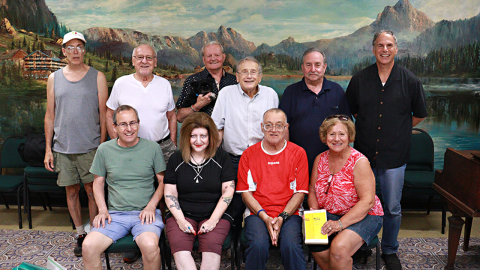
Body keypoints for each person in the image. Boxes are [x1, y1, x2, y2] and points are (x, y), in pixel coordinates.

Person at [345, 30, 428, 270]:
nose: (384, 49)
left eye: (389, 45)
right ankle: (360, 246)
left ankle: (390, 250)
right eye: (380, 45)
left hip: (394, 155)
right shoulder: (360, 79)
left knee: (392, 207)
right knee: (361, 203)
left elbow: (419, 114)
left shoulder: (409, 80)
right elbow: (354, 112)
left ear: (396, 49)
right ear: (373, 49)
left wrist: (399, 129)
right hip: (363, 155)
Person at [43, 31, 108, 257]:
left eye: (79, 47)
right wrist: (48, 149)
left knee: (92, 191)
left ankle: (93, 233)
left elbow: (103, 114)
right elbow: (50, 115)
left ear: (84, 50)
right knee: (71, 192)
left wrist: (102, 146)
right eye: (70, 47)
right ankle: (80, 233)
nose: (75, 51)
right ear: (63, 51)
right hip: (62, 148)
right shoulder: (54, 78)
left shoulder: (97, 77)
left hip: (90, 147)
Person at [82, 105, 166, 270]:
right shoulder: (104, 149)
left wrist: (151, 206)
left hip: (145, 214)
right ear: (114, 127)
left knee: (150, 246)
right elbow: (97, 183)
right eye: (123, 124)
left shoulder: (152, 148)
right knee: (88, 246)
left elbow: (163, 181)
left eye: (133, 123)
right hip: (114, 215)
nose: (129, 128)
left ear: (139, 124)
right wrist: (102, 209)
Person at [308, 115, 384, 270]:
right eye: (332, 134)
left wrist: (339, 224)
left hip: (366, 215)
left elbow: (367, 202)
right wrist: (315, 214)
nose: (337, 139)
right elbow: (312, 190)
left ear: (349, 136)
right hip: (330, 213)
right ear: (325, 137)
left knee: (339, 248)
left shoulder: (359, 162)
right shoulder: (319, 159)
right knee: (314, 240)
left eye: (341, 134)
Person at [237, 108, 309, 270]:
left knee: (291, 246)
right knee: (258, 246)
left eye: (279, 125)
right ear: (262, 127)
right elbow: (246, 193)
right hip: (257, 212)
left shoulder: (298, 153)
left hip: (290, 212)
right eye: (268, 125)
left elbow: (300, 193)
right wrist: (265, 217)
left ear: (286, 128)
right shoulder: (249, 154)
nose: (273, 130)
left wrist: (282, 217)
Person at [211, 56, 279, 228]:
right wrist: (212, 157)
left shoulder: (270, 95)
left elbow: (278, 129)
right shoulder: (226, 94)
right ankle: (232, 249)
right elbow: (216, 127)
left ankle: (260, 239)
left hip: (262, 160)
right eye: (244, 72)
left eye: (253, 72)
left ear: (260, 76)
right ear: (237, 76)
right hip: (233, 159)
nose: (249, 76)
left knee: (262, 203)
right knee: (233, 207)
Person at [164, 112, 236, 270]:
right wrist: (181, 221)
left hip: (216, 214)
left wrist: (213, 220)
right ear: (185, 137)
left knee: (211, 245)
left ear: (210, 136)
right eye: (193, 136)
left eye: (203, 136)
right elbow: (170, 194)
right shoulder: (176, 159)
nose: (198, 141)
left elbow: (228, 192)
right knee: (179, 246)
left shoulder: (222, 158)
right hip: (182, 214)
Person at [279, 48, 351, 173]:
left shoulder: (337, 91)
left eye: (317, 65)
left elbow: (347, 127)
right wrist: (287, 156)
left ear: (324, 67)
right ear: (302, 67)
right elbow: (284, 127)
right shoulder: (290, 92)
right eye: (308, 65)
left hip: (332, 161)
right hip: (298, 161)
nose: (313, 69)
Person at [106, 43, 177, 164]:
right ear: (133, 61)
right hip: (130, 148)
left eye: (149, 57)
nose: (144, 61)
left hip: (163, 148)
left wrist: (173, 142)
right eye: (140, 57)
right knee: (136, 182)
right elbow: (109, 114)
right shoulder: (121, 83)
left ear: (155, 62)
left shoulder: (165, 84)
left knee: (167, 182)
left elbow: (172, 116)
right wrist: (116, 142)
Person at [176, 41, 237, 122]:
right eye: (209, 56)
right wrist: (197, 106)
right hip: (202, 133)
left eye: (217, 55)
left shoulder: (235, 80)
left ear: (223, 57)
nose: (213, 59)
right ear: (203, 59)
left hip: (230, 133)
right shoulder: (192, 80)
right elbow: (180, 117)